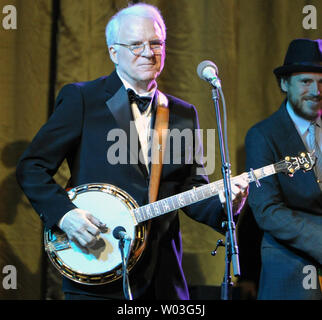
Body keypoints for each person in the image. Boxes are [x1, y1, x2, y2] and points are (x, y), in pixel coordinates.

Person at [16, 3, 248, 300]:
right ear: (114, 52)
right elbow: (32, 167)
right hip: (97, 267)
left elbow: (192, 188)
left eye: (156, 43)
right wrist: (65, 215)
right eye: (136, 45)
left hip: (162, 280)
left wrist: (226, 202)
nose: (149, 52)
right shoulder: (83, 99)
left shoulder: (182, 113)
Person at [245, 38, 322, 300]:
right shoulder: (263, 135)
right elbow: (267, 210)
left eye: (321, 82)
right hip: (291, 267)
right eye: (306, 81)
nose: (316, 90)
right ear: (284, 84)